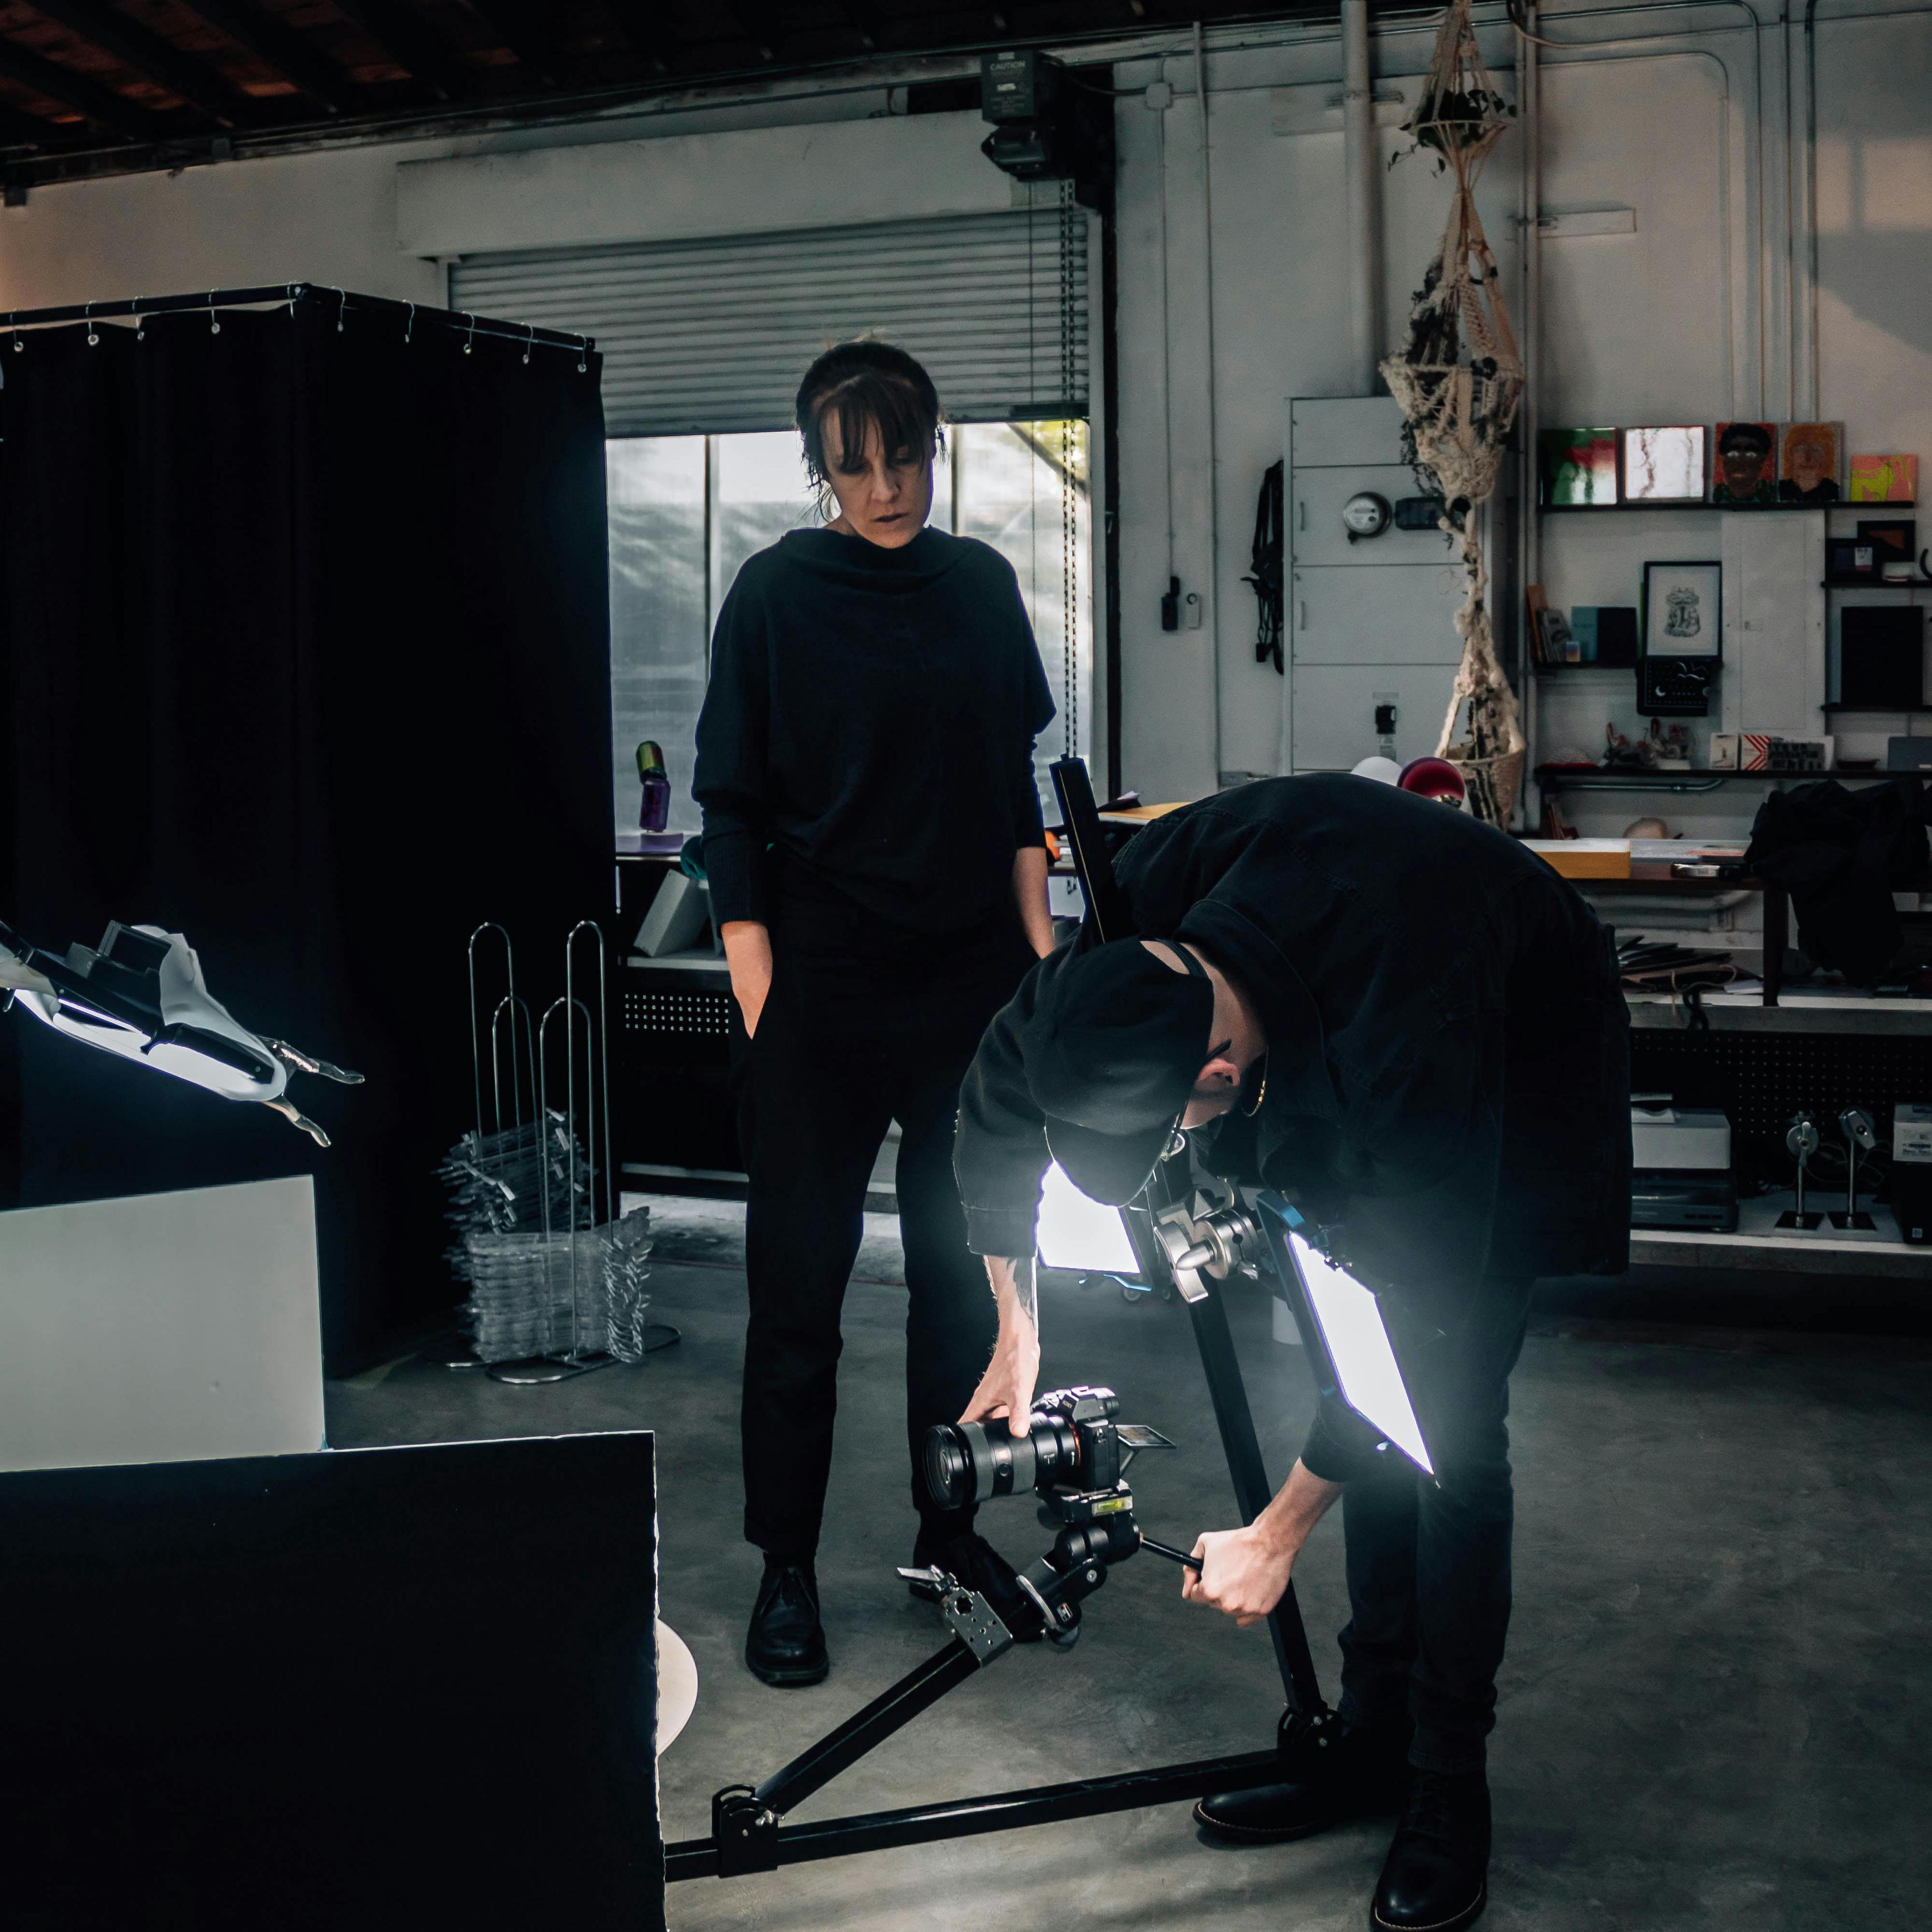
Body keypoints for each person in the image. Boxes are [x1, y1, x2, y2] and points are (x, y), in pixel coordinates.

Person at [951, 775, 1630, 1932]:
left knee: (1451, 1432)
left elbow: (1416, 1334)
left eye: (1178, 1128)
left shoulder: (1408, 1042)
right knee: (1347, 1380)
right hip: (1342, 987)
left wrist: (1275, 1533)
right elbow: (996, 1108)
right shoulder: (1131, 942)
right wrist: (1019, 1324)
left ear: (1217, 1077)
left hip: (1516, 1045)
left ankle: (1445, 1784)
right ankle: (1367, 1737)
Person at [693, 339, 1058, 1689]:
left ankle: (947, 1536)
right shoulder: (777, 593)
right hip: (824, 990)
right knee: (800, 1297)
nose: (886, 486)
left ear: (932, 445)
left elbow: (1015, 787)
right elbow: (730, 799)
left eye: (902, 456)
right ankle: (785, 1565)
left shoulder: (979, 587)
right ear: (821, 471)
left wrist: (1041, 970)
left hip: (968, 986)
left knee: (961, 1287)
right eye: (855, 466)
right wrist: (759, 987)